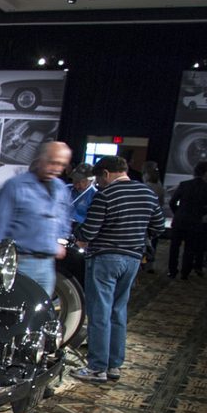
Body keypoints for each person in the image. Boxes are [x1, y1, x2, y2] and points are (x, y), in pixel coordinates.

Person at [73, 156, 166, 383]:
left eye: (99, 179)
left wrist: (78, 234)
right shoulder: (147, 193)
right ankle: (114, 365)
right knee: (118, 311)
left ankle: (97, 367)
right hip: (132, 260)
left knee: (99, 313)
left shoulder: (106, 195)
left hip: (105, 259)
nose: (98, 184)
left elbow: (89, 232)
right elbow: (159, 226)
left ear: (106, 174)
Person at [0, 141, 73, 296]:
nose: (57, 169)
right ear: (40, 159)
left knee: (41, 315)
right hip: (21, 263)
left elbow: (64, 218)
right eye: (52, 162)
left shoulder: (61, 188)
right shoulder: (15, 186)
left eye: (61, 165)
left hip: (48, 266)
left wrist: (60, 240)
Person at [167, 161, 207, 279]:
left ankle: (172, 271)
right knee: (190, 248)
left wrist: (178, 212)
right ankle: (185, 272)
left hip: (180, 220)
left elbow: (172, 202)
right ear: (205, 173)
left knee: (174, 247)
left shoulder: (184, 184)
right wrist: (199, 214)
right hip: (195, 222)